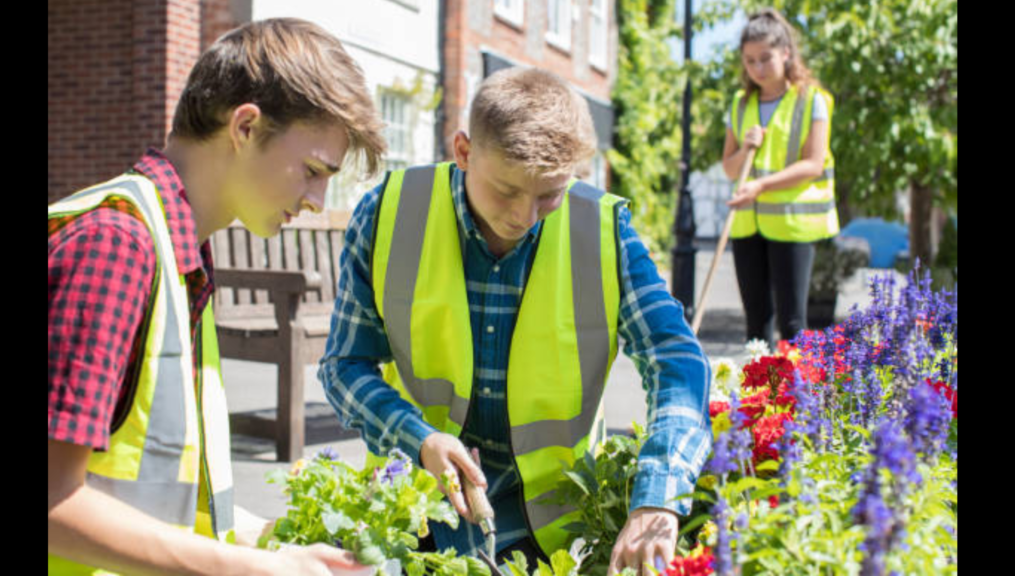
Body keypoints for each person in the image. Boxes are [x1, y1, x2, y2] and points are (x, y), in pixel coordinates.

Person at [321, 67, 712, 575]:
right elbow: (344, 365)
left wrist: (658, 498)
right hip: (413, 511)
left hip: (555, 528)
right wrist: (416, 438)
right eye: (507, 190)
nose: (525, 216)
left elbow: (677, 360)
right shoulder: (387, 213)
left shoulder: (605, 232)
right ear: (463, 152)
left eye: (549, 195)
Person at [48, 18, 385, 575]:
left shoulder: (178, 252)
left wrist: (278, 549)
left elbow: (161, 500)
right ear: (247, 127)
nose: (316, 200)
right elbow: (54, 502)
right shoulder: (118, 245)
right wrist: (255, 570)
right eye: (312, 170)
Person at [722, 8, 839, 347]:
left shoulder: (812, 100)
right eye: (749, 61)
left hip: (792, 223)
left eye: (765, 59)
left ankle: (799, 399)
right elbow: (729, 168)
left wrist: (760, 186)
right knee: (756, 327)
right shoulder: (740, 104)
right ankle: (759, 400)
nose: (757, 68)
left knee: (792, 324)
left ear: (786, 52)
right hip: (746, 223)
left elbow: (813, 164)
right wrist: (745, 150)